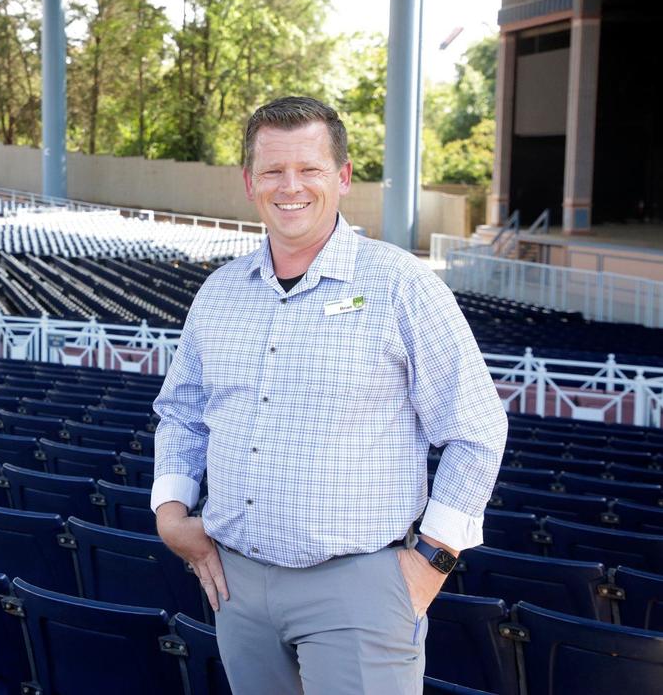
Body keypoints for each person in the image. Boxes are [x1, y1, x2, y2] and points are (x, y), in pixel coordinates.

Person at [151, 96, 507, 694]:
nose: (291, 187)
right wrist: (170, 513)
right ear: (249, 183)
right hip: (237, 583)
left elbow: (476, 428)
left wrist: (430, 564)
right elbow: (182, 413)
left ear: (342, 178)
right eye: (273, 171)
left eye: (309, 169)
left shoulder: (401, 283)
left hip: (362, 588)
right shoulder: (220, 292)